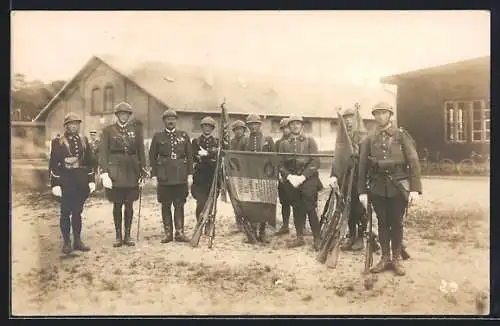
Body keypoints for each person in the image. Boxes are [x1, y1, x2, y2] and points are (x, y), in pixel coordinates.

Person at [357, 102, 422, 276]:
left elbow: (413, 161)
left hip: (397, 187)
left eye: (384, 113)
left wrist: (415, 189)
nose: (380, 117)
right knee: (383, 223)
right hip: (377, 188)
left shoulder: (401, 136)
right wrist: (362, 191)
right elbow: (362, 166)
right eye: (377, 113)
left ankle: (396, 259)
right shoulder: (369, 139)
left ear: (390, 115)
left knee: (397, 223)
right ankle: (385, 258)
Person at [99, 102, 147, 248]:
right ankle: (118, 236)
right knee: (117, 203)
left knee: (129, 204)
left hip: (132, 170)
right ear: (117, 115)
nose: (124, 116)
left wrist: (143, 171)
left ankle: (128, 235)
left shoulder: (136, 130)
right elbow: (104, 153)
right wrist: (105, 172)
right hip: (116, 171)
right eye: (121, 113)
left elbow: (141, 152)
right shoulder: (108, 131)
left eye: (126, 114)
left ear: (129, 115)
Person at [49, 113, 96, 254]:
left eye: (76, 123)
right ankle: (66, 243)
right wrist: (55, 184)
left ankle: (77, 241)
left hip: (80, 182)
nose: (74, 126)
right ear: (66, 126)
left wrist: (91, 180)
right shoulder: (58, 141)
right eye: (71, 123)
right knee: (65, 213)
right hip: (65, 181)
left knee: (77, 212)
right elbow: (53, 163)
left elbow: (89, 162)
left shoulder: (83, 140)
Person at [149, 108, 193, 243]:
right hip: (164, 176)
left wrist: (190, 174)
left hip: (180, 176)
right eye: (168, 119)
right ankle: (168, 233)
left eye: (173, 119)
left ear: (176, 121)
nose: (171, 121)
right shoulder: (158, 137)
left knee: (179, 204)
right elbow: (152, 157)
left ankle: (179, 232)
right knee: (165, 204)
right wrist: (154, 176)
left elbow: (190, 156)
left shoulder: (184, 136)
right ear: (164, 121)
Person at [278, 116, 322, 250]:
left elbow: (316, 162)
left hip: (308, 179)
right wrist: (289, 176)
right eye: (292, 124)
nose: (295, 126)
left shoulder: (310, 141)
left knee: (310, 207)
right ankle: (299, 237)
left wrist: (303, 176)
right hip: (292, 180)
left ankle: (317, 238)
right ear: (289, 127)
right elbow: (280, 164)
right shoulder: (284, 144)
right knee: (296, 207)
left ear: (302, 126)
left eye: (298, 124)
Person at [328, 108, 367, 251]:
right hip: (345, 179)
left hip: (359, 178)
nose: (348, 121)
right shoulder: (342, 138)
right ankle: (352, 236)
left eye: (351, 117)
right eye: (345, 118)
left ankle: (361, 237)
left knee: (360, 210)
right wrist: (334, 175)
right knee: (347, 208)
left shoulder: (364, 137)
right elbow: (338, 158)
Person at [242, 114, 274, 243]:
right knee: (252, 205)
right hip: (251, 176)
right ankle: (253, 231)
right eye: (250, 124)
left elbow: (274, 158)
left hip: (265, 177)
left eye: (255, 124)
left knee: (264, 205)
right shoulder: (245, 141)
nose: (253, 126)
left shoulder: (268, 139)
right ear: (248, 127)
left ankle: (262, 232)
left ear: (260, 125)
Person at [191, 116, 219, 222]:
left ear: (212, 129)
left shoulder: (217, 142)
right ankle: (200, 223)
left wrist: (206, 155)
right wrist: (211, 157)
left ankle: (209, 225)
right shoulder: (196, 142)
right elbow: (195, 157)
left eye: (210, 127)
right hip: (200, 179)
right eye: (205, 126)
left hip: (213, 178)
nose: (207, 128)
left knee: (211, 204)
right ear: (201, 127)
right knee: (201, 203)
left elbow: (218, 159)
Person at [228, 119, 248, 232]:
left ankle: (247, 222)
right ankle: (239, 222)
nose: (238, 131)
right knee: (235, 199)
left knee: (245, 199)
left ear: (244, 130)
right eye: (236, 129)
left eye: (240, 129)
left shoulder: (247, 141)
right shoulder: (231, 142)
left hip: (245, 174)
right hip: (233, 174)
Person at [275, 117, 293, 235]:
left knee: (299, 202)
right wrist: (279, 175)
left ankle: (301, 227)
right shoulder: (278, 143)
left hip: (296, 175)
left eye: (288, 127)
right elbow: (276, 160)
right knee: (284, 202)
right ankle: (285, 225)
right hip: (283, 176)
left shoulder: (297, 141)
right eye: (284, 128)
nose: (286, 130)